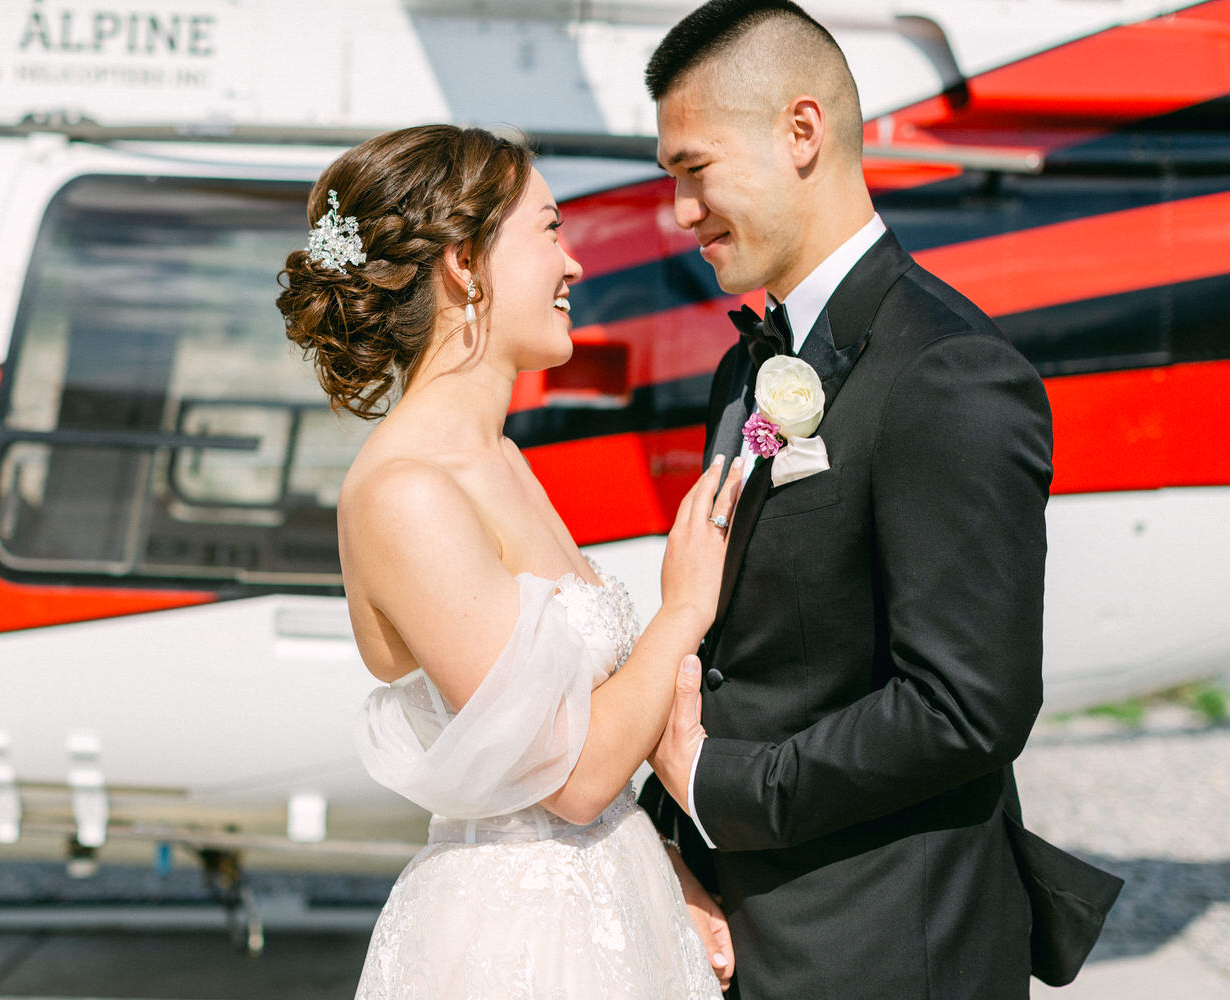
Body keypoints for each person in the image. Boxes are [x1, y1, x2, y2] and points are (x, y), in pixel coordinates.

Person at [636, 2, 1061, 998]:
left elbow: (967, 705)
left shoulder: (949, 372)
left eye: (692, 170)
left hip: (881, 951)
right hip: (738, 940)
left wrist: (719, 789)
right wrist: (675, 849)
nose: (681, 212)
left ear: (801, 132)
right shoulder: (746, 371)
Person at [276, 124, 738, 998]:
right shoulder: (405, 491)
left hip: (608, 903)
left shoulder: (504, 460)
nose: (573, 266)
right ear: (464, 261)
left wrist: (659, 869)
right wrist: (685, 608)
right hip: (521, 945)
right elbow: (565, 779)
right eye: (551, 230)